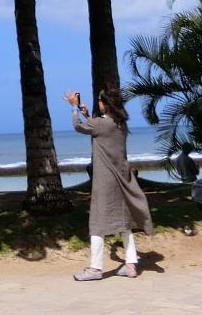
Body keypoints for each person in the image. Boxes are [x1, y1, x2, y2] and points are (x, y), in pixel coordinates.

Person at [65, 87, 153, 281]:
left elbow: (79, 126)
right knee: (124, 221)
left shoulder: (102, 124)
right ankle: (130, 265)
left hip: (105, 180)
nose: (98, 103)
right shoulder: (120, 124)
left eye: (99, 100)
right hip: (122, 177)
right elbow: (98, 127)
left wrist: (74, 108)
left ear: (106, 103)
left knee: (97, 223)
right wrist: (86, 113)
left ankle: (95, 269)